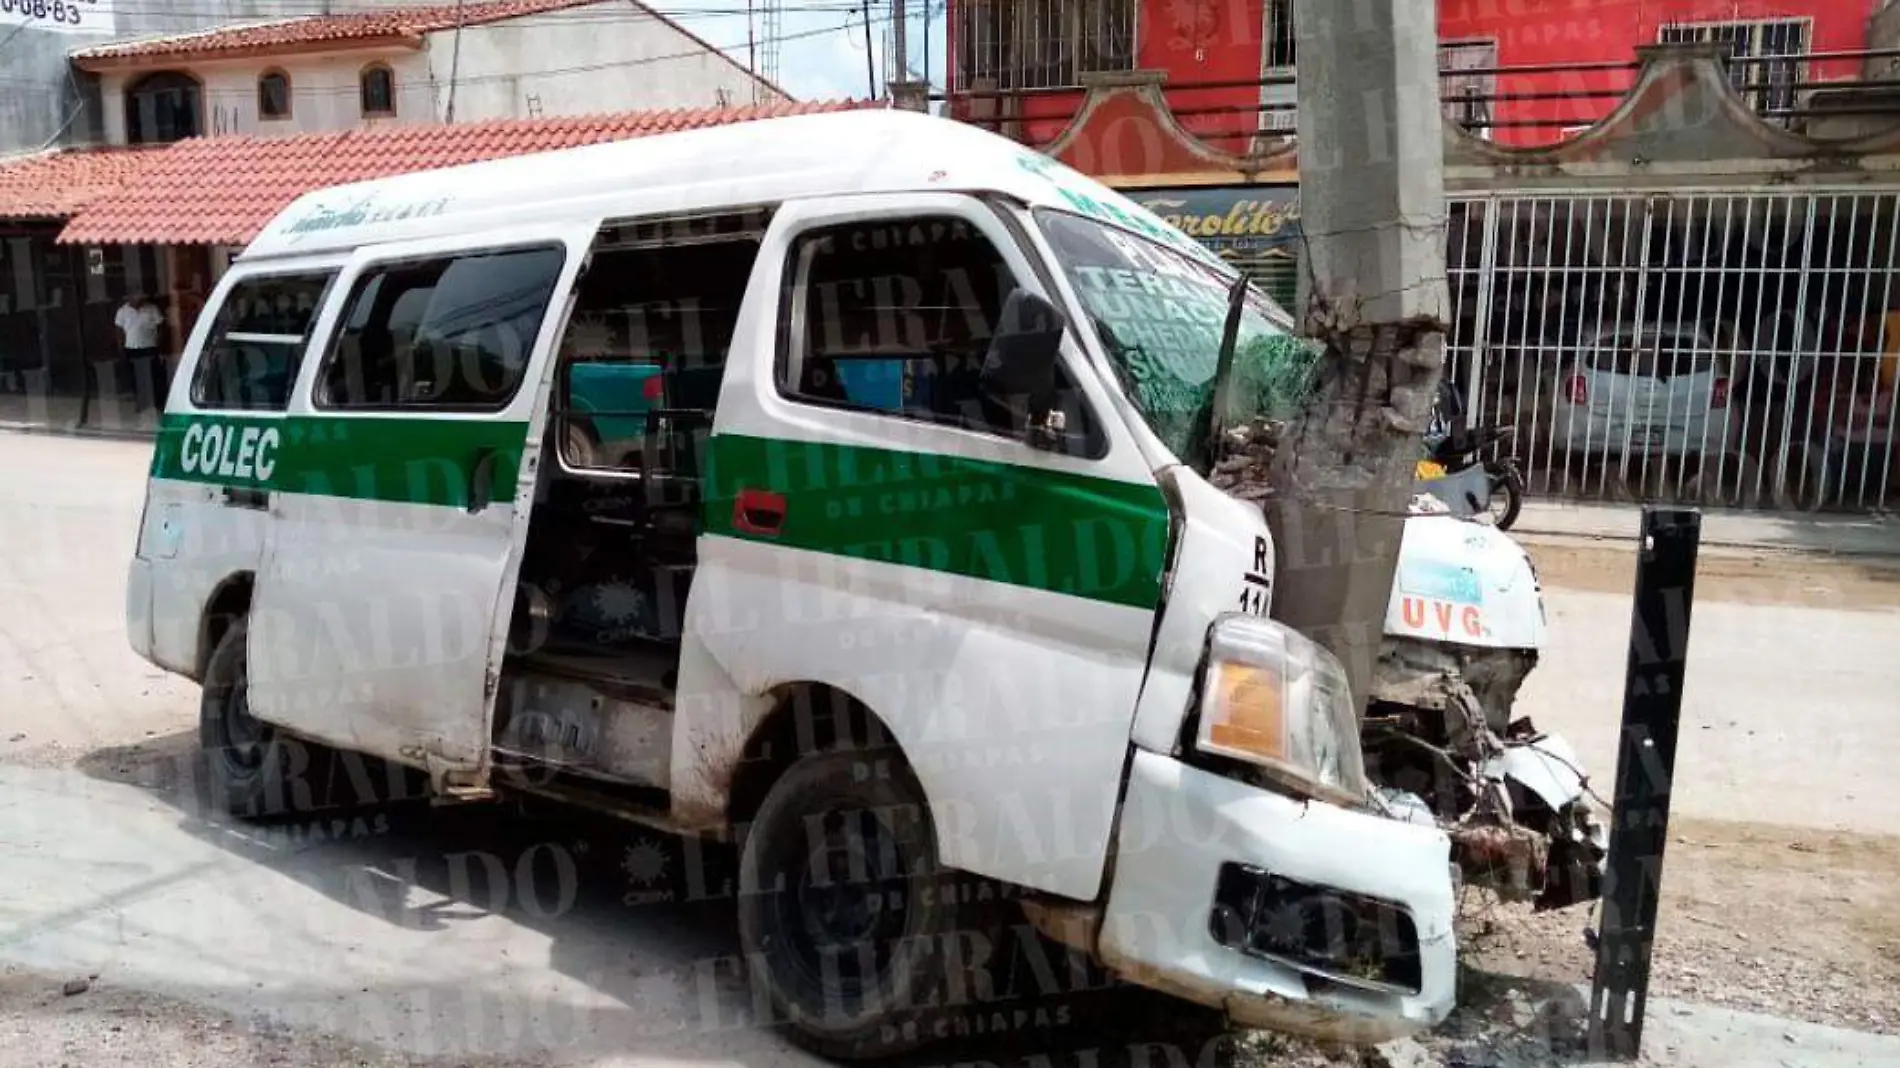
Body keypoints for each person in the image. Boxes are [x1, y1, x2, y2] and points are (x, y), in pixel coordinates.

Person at [114, 291, 166, 411]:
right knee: (136, 377)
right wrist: (120, 348)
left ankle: (158, 403)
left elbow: (161, 326)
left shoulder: (152, 309)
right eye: (135, 298)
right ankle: (141, 402)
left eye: (140, 298)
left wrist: (159, 343)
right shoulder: (122, 311)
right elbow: (119, 331)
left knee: (154, 376)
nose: (138, 300)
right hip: (132, 348)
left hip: (150, 347)